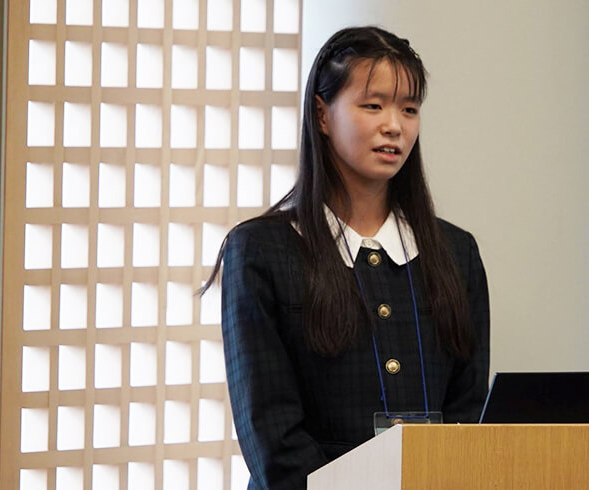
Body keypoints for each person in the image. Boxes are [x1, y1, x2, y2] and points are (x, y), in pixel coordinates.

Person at [202, 26, 489, 490]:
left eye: (409, 109)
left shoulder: (457, 253)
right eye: (373, 105)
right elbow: (272, 435)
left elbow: (467, 413)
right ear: (322, 114)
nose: (394, 126)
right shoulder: (261, 251)